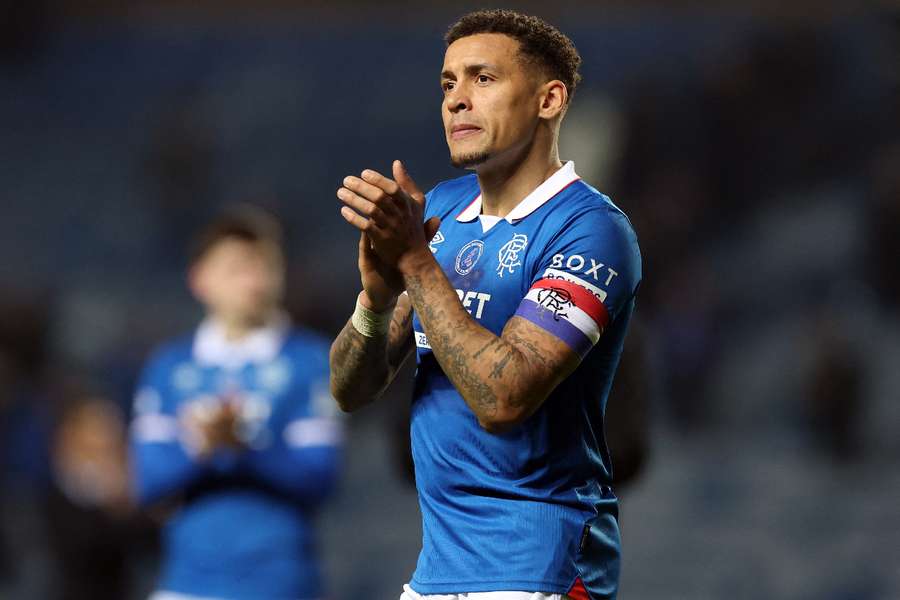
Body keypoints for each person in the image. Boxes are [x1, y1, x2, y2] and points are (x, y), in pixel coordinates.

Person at [330, 9, 641, 600]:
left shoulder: (591, 230)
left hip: (540, 568)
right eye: (448, 83)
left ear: (549, 100)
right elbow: (350, 389)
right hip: (438, 572)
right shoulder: (441, 210)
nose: (456, 100)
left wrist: (416, 264)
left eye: (483, 79)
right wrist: (376, 297)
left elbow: (504, 398)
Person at [130, 206, 342, 600]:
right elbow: (148, 481)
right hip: (187, 582)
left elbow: (320, 477)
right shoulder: (170, 365)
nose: (254, 280)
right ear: (199, 279)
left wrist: (244, 448)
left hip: (280, 582)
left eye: (264, 266)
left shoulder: (309, 359)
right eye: (236, 267)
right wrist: (203, 449)